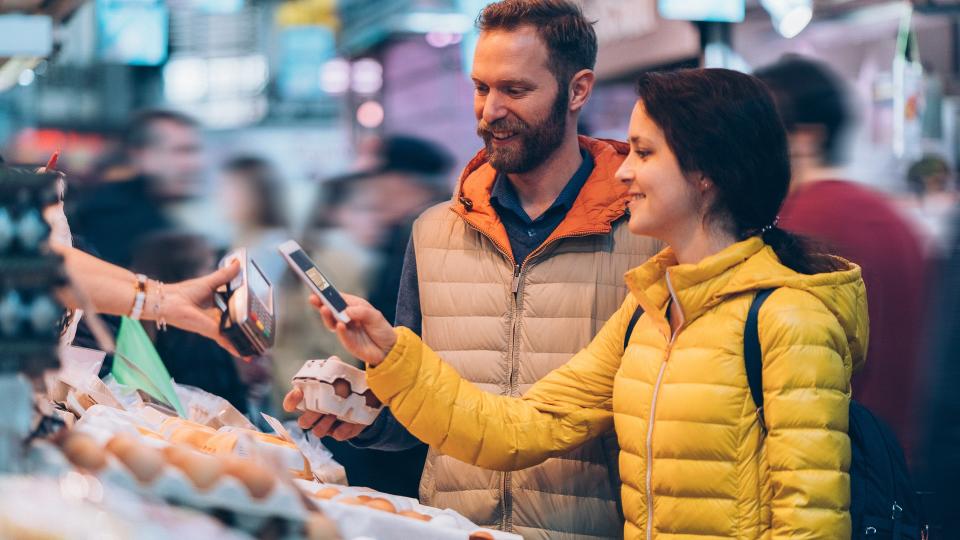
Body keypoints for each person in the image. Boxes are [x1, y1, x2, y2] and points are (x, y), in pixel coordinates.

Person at [294, 68, 867, 540]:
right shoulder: (648, 311)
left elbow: (811, 523)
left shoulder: (790, 319)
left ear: (705, 174)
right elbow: (520, 427)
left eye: (644, 152)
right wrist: (393, 354)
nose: (624, 170)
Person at [291, 1, 661, 537]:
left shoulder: (646, 234)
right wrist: (360, 417)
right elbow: (415, 412)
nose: (490, 111)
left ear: (578, 90)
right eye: (481, 88)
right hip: (455, 527)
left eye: (515, 90)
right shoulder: (433, 231)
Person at [755, 56, 928, 458]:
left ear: (804, 138)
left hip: (840, 465)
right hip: (900, 467)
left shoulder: (798, 226)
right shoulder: (889, 215)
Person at [68, 110, 203, 268]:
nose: (196, 164)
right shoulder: (111, 220)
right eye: (181, 151)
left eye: (196, 151)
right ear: (143, 156)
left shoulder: (159, 211)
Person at [131, 232, 249, 413]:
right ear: (188, 277)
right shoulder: (199, 336)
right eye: (209, 267)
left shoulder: (134, 325)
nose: (215, 275)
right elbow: (224, 401)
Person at [904, 154, 957, 254]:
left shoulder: (952, 203)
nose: (940, 178)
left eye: (942, 175)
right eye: (931, 175)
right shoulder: (908, 205)